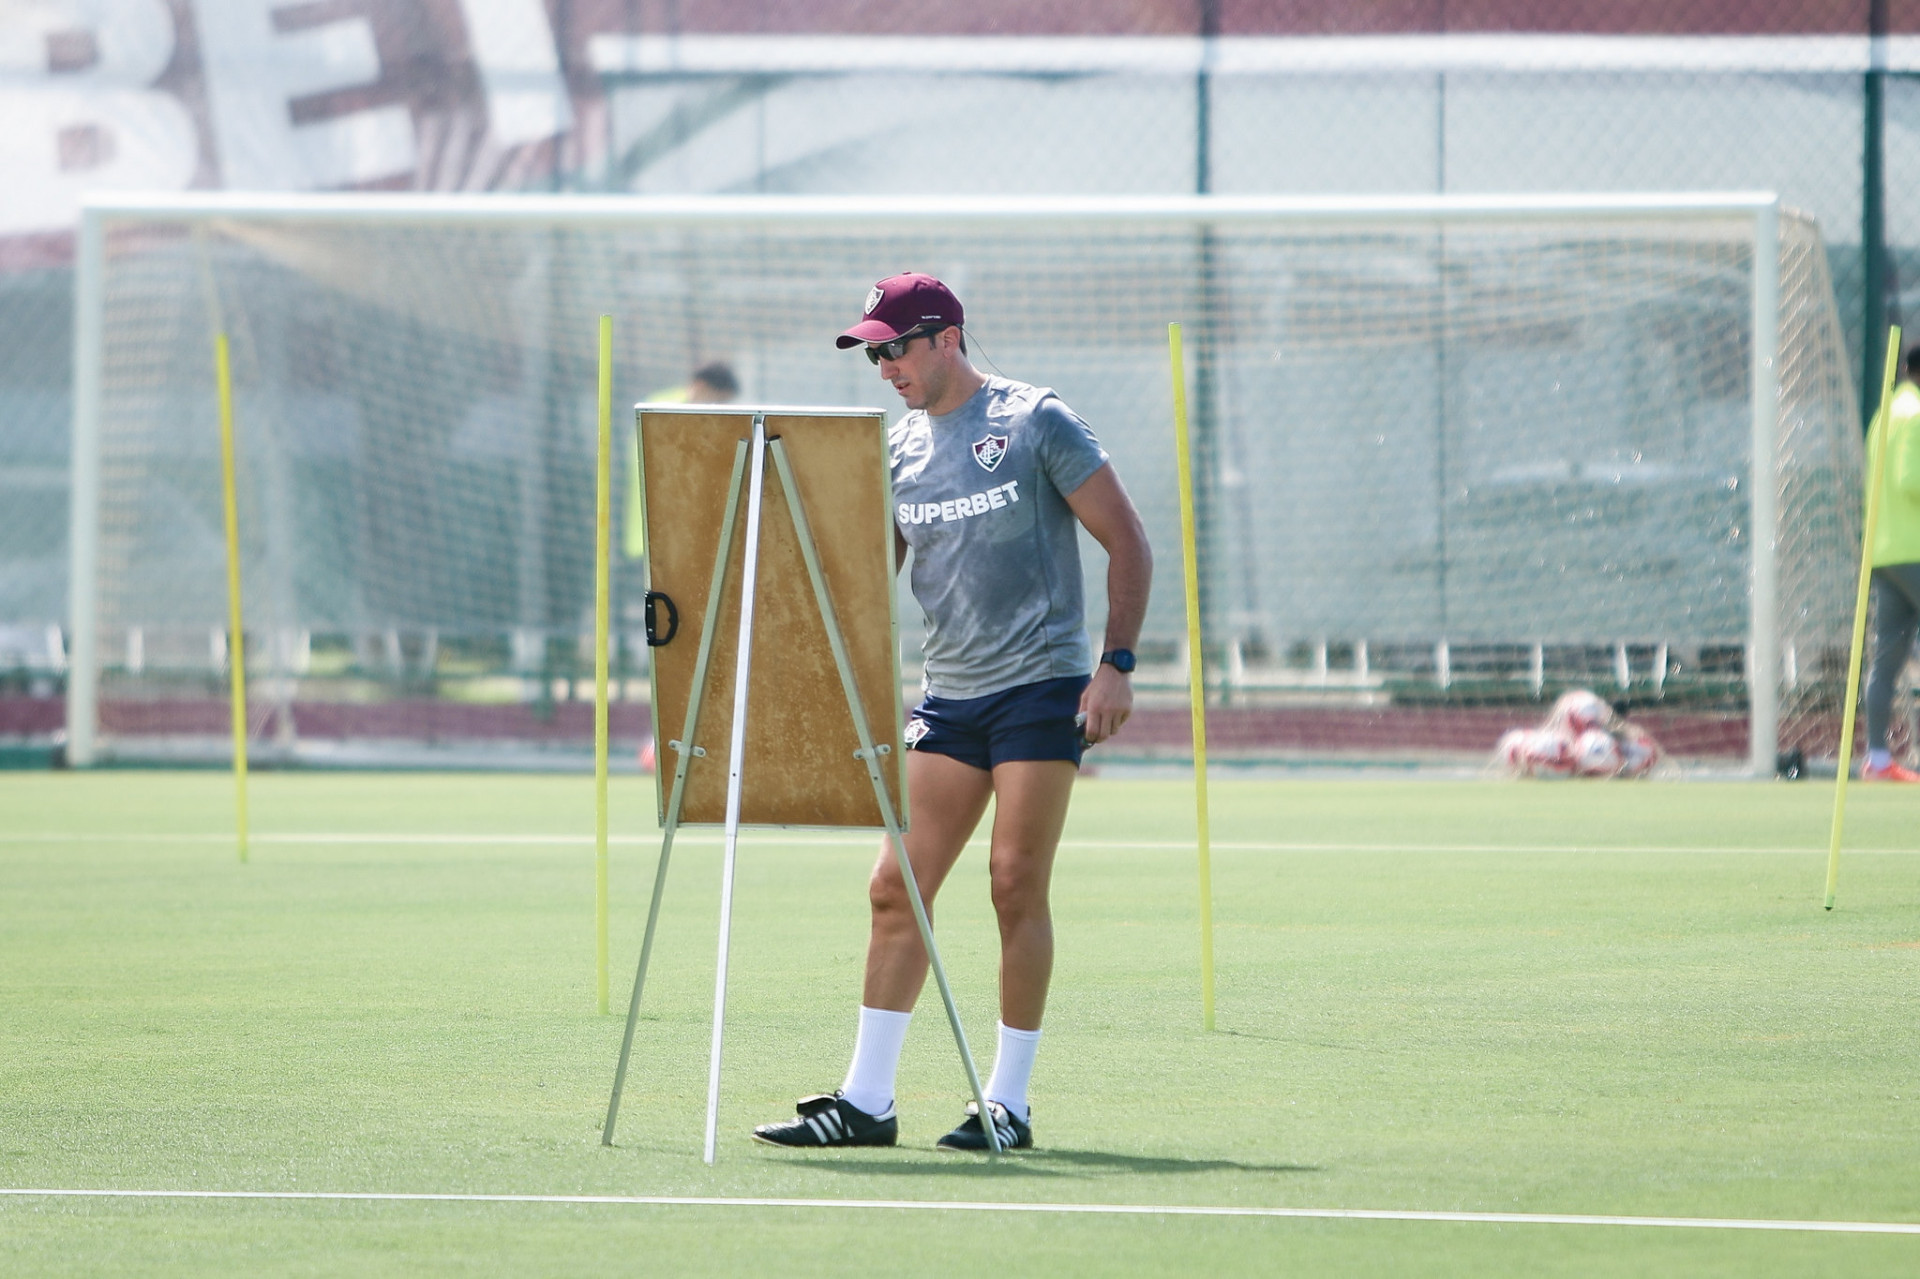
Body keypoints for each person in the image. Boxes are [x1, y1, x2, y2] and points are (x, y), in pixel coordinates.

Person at [752, 273, 1152, 1152]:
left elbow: (1127, 541)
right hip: (950, 698)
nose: (884, 365)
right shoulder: (899, 450)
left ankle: (1007, 1104)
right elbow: (867, 579)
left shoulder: (1036, 418)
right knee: (895, 887)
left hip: (1043, 687)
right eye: (873, 352)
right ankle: (867, 1101)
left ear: (945, 337)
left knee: (1014, 882)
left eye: (894, 347)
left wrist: (1115, 665)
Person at [629, 363, 737, 773]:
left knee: (695, 640)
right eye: (718, 399)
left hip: (688, 544)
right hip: (660, 544)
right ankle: (663, 738)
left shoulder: (694, 415)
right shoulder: (664, 413)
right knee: (669, 643)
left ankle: (676, 737)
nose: (719, 408)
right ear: (701, 387)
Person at [1863, 347, 1920, 781]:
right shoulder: (1915, 413)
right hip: (1914, 550)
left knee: (1888, 658)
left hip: (1883, 552)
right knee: (1890, 656)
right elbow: (1910, 480)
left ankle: (1878, 758)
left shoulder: (1886, 414)